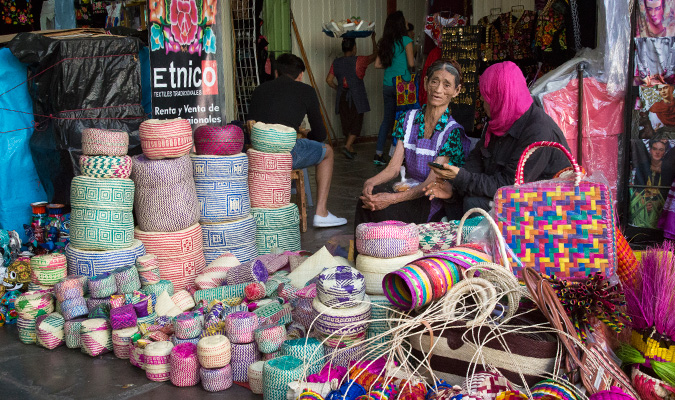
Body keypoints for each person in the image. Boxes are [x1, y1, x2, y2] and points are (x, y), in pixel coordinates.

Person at [424, 61, 571, 216]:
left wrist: (462, 178)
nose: (482, 101)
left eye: (486, 96)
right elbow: (477, 158)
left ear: (500, 96)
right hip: (508, 190)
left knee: (473, 204)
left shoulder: (539, 131)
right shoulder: (500, 120)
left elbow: (509, 185)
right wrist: (454, 185)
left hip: (543, 207)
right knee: (453, 196)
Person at [356, 60, 470, 225]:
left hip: (431, 198)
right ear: (425, 83)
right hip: (409, 189)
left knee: (383, 211)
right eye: (434, 81)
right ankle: (364, 251)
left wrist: (392, 199)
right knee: (365, 201)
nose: (438, 89)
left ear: (456, 91)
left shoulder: (452, 132)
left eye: (446, 85)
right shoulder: (408, 119)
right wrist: (370, 182)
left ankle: (389, 249)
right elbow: (393, 168)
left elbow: (431, 183)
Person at [248, 53, 347, 228]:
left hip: (257, 157)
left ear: (276, 73)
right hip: (286, 156)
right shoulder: (306, 91)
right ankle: (321, 213)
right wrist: (304, 133)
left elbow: (251, 126)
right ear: (300, 75)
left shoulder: (259, 90)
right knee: (328, 152)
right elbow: (320, 134)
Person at [326, 33, 377, 159]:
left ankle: (350, 148)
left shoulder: (336, 62)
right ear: (354, 47)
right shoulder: (360, 60)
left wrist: (338, 88)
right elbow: (375, 55)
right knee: (356, 123)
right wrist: (373, 39)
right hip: (356, 97)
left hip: (342, 96)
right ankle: (347, 146)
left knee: (346, 122)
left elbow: (329, 80)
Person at [373, 10, 415, 166]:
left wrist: (391, 64)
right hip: (403, 86)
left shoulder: (385, 42)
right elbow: (411, 64)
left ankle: (378, 154)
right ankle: (400, 157)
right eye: (404, 20)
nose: (406, 23)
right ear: (400, 23)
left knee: (387, 120)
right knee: (404, 120)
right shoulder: (406, 40)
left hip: (388, 84)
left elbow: (377, 64)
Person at [631, 139, 675, 228]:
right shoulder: (642, 167)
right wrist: (642, 203)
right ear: (650, 150)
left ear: (665, 152)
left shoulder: (668, 169)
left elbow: (667, 193)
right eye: (655, 149)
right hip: (643, 208)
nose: (657, 152)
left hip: (660, 206)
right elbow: (637, 189)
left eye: (661, 150)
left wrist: (658, 203)